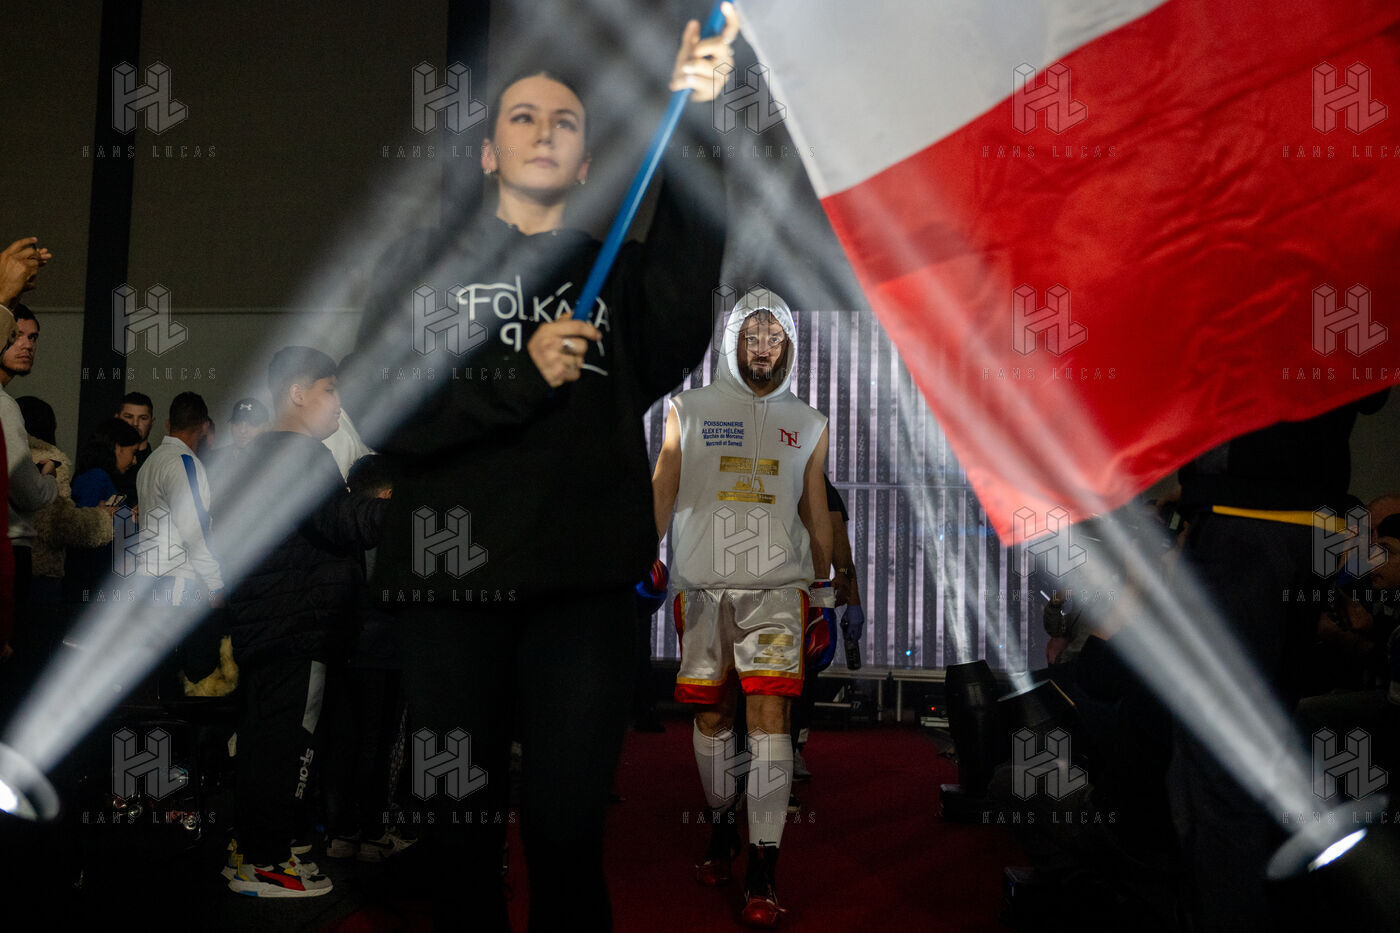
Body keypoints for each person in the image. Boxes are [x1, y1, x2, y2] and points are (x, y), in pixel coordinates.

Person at [348, 8, 738, 928]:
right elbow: (384, 407)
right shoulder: (425, 268)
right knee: (456, 836)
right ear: (488, 153)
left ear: (589, 161)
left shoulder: (617, 279)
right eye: (522, 116)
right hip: (449, 593)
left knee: (567, 832)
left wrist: (697, 120)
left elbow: (687, 285)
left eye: (566, 121)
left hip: (581, 595)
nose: (545, 130)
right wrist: (516, 379)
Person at [652, 287, 833, 927]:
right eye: (752, 336)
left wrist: (825, 590)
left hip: (779, 589)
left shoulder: (809, 423)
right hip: (702, 586)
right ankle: (721, 825)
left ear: (788, 345)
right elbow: (664, 484)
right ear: (733, 341)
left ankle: (763, 868)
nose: (762, 348)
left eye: (773, 337)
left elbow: (814, 504)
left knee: (770, 717)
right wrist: (639, 555)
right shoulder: (689, 408)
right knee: (712, 717)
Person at [223, 347, 386, 897]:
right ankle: (267, 860)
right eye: (330, 390)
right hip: (298, 624)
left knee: (264, 740)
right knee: (287, 745)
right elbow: (342, 522)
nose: (339, 404)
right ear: (297, 393)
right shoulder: (299, 454)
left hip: (270, 623)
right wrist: (404, 505)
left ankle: (254, 851)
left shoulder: (255, 455)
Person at [18, 397, 117, 606]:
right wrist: (103, 518)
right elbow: (57, 524)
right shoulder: (50, 460)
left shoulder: (12, 456)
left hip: (12, 563)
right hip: (40, 572)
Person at [135, 392, 223, 607]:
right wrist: (215, 584)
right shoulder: (184, 463)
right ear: (204, 427)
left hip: (146, 577)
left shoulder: (151, 461)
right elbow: (194, 529)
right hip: (175, 580)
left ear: (168, 423)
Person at [1, 303, 57, 607]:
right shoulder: (5, 406)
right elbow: (29, 494)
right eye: (16, 335)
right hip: (9, 547)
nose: (26, 345)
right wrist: (49, 478)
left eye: (32, 337)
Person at [65, 418, 143, 601]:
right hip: (91, 581)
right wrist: (128, 518)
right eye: (133, 452)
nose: (134, 461)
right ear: (118, 448)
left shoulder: (96, 477)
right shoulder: (96, 478)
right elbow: (85, 530)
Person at [206, 396, 269, 514]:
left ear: (265, 427)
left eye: (251, 424)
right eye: (237, 423)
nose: (243, 430)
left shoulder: (273, 461)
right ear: (230, 426)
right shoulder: (212, 460)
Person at [114, 391, 157, 506]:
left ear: (152, 423)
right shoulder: (103, 460)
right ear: (116, 419)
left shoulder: (157, 464)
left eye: (143, 418)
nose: (135, 423)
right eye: (128, 417)